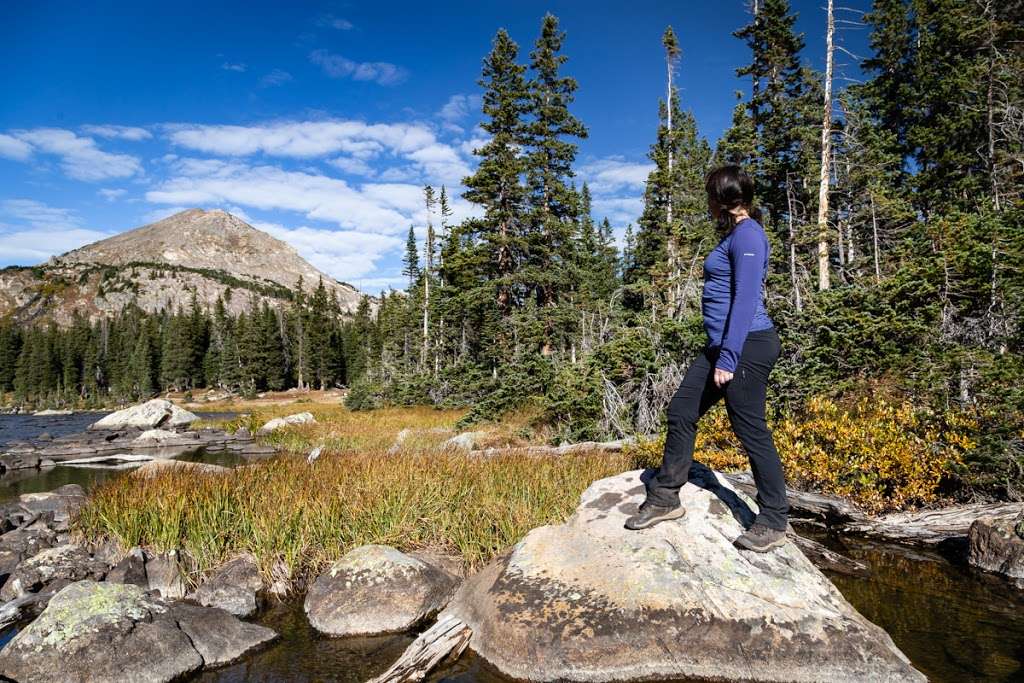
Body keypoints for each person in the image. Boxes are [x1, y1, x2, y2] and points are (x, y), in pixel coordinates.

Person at [624, 164, 789, 553]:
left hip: (747, 344)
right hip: (723, 345)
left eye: (708, 195)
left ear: (721, 198)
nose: (707, 203)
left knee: (750, 429)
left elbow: (746, 300)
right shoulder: (734, 233)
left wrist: (729, 358)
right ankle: (665, 498)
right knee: (682, 410)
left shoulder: (749, 234)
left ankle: (774, 519)